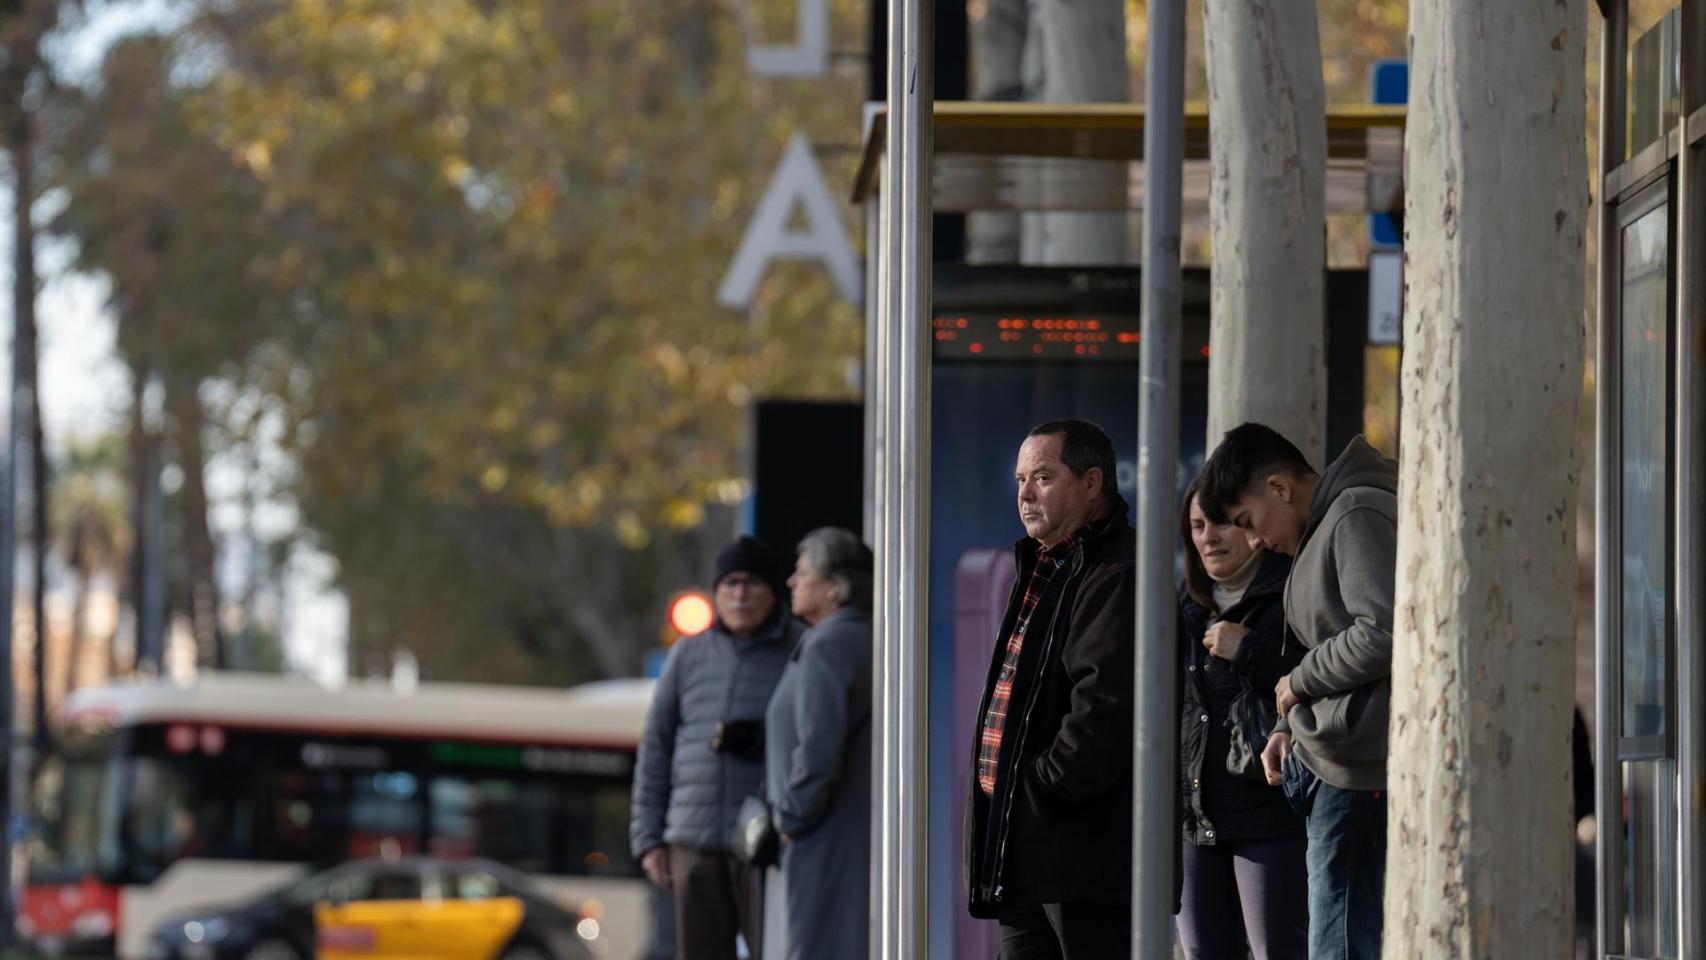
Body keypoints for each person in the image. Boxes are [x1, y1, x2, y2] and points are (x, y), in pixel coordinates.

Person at [1198, 423, 1398, 960]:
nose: (1254, 540)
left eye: (1248, 521)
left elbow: (1382, 630)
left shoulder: (1353, 514)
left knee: (1340, 943)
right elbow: (1331, 640)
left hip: (1357, 772)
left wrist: (1299, 681)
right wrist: (1287, 725)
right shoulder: (1325, 526)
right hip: (1337, 764)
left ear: (1280, 488)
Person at [965, 418, 1137, 960]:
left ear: (1092, 482)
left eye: (1042, 477)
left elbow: (1104, 710)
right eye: (1020, 479)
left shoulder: (1115, 571)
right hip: (1030, 845)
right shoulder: (1046, 564)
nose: (1024, 494)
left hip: (1078, 854)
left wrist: (1039, 788)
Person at [631, 535, 805, 960]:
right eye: (730, 583)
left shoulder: (802, 648)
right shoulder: (688, 654)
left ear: (773, 591)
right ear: (716, 592)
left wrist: (766, 741)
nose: (740, 594)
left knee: (778, 951)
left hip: (768, 841)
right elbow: (655, 746)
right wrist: (648, 838)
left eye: (752, 583)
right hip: (694, 837)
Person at [1174, 476, 1307, 959]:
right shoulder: (1183, 606)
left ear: (1250, 526)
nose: (1209, 537)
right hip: (1195, 822)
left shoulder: (1293, 592)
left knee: (1278, 951)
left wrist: (1248, 649)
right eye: (1197, 526)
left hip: (1269, 819)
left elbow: (1311, 681)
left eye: (1222, 522)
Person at [763, 527, 874, 960]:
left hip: (822, 835)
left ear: (833, 586)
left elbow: (817, 748)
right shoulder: (864, 637)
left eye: (803, 572)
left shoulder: (829, 645)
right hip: (843, 833)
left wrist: (790, 817)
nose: (791, 581)